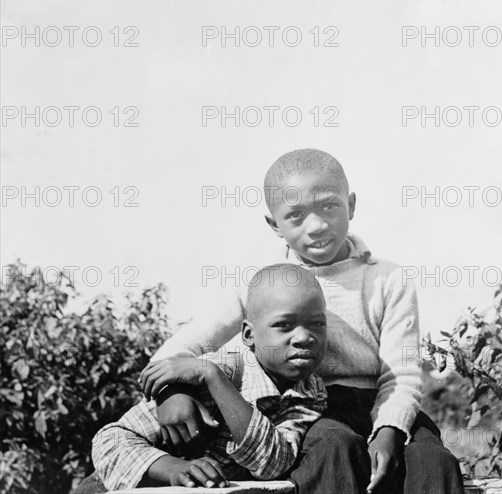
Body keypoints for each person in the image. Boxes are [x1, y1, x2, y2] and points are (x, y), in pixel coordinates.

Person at [147, 148, 465, 494]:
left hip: (382, 405)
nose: (316, 226)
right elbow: (178, 350)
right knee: (333, 449)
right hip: (310, 409)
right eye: (296, 215)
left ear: (352, 205)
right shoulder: (264, 285)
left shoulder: (388, 279)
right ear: (274, 225)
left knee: (432, 461)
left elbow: (401, 375)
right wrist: (172, 392)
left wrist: (388, 431)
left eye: (329, 206)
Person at [75, 264, 328, 493]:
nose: (304, 337)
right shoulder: (221, 370)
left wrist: (214, 378)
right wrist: (172, 468)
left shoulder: (309, 392)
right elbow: (110, 440)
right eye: (284, 325)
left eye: (317, 324)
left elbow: (272, 464)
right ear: (249, 335)